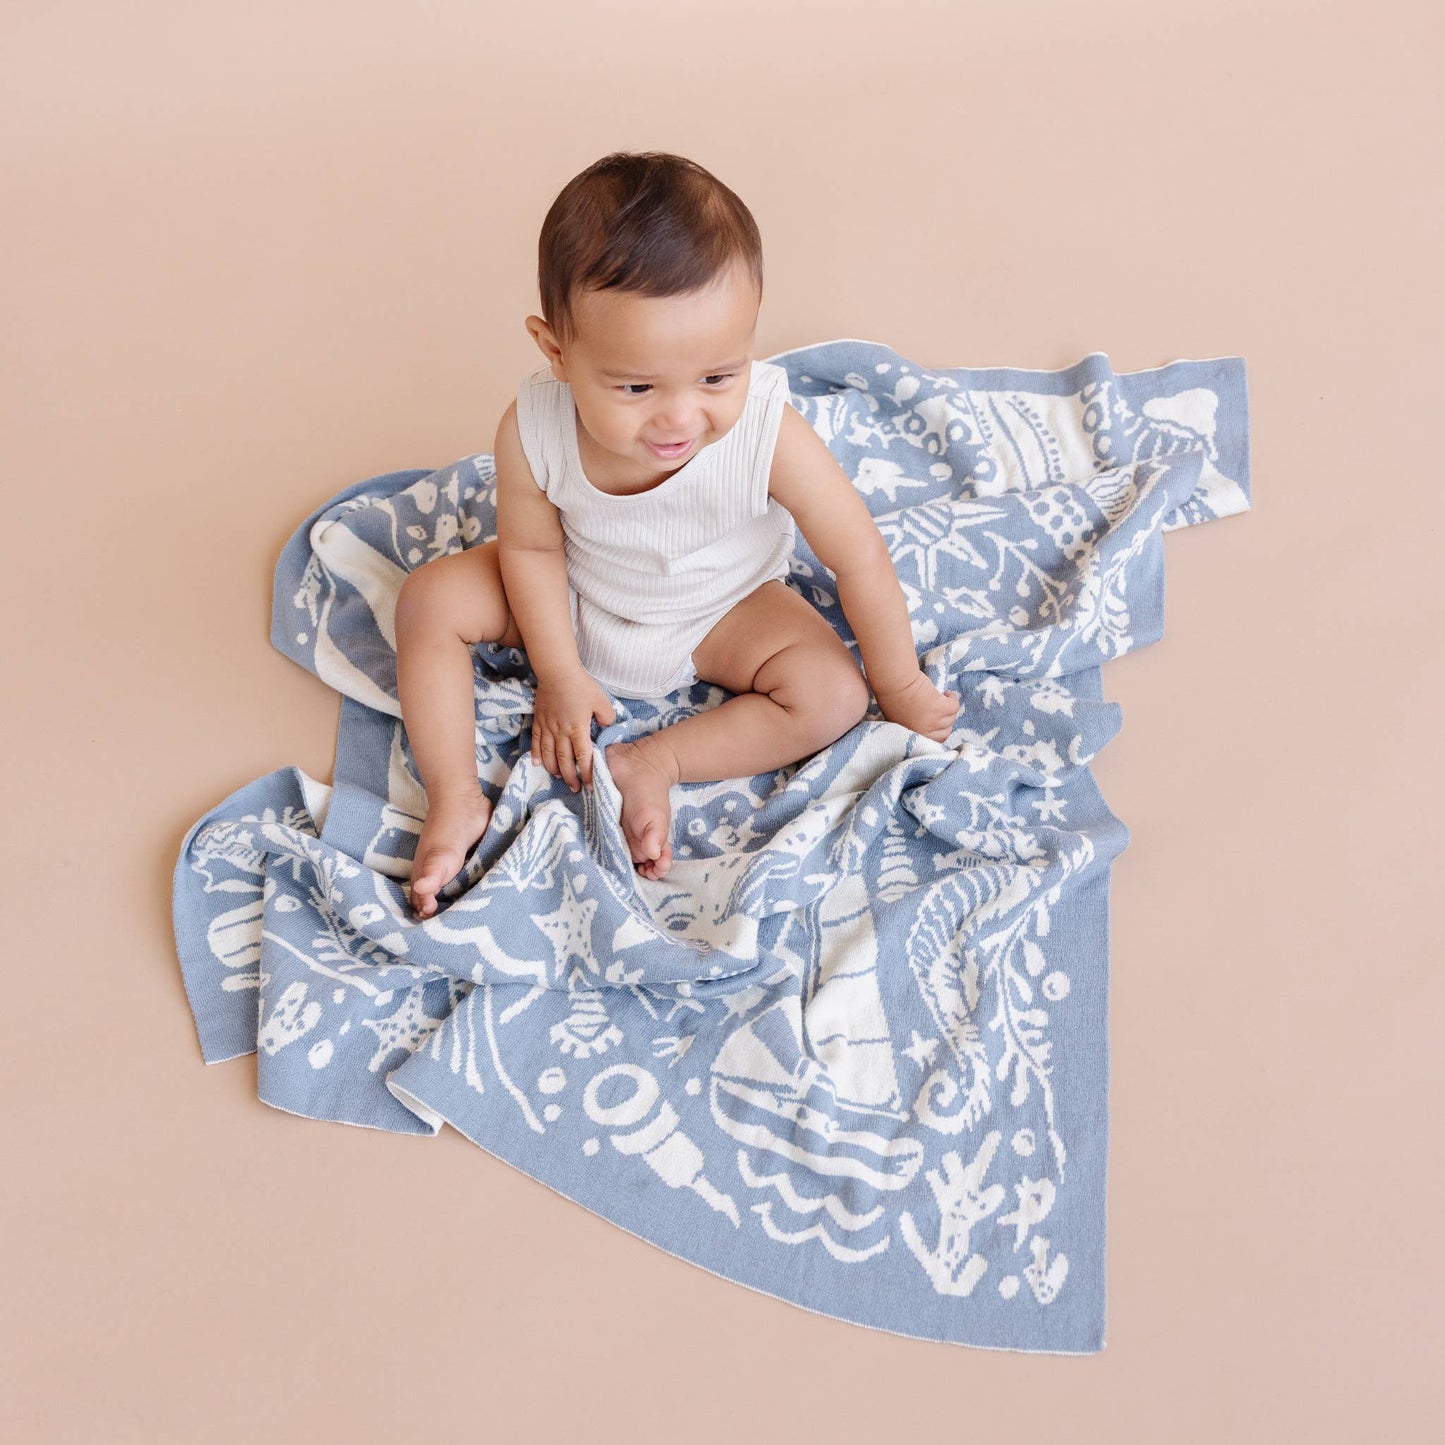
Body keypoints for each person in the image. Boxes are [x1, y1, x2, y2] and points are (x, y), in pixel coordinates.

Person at [397, 151, 958, 919]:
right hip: (571, 594)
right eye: (634, 387)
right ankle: (455, 797)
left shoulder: (767, 430)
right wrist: (557, 671)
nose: (679, 418)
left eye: (716, 378)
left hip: (724, 609)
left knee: (832, 694)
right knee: (429, 596)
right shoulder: (531, 430)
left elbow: (856, 552)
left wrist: (899, 686)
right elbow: (531, 550)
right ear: (556, 352)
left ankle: (655, 761)